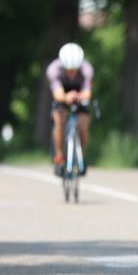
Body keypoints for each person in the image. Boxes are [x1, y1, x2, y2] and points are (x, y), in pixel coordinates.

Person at [46, 43, 94, 176]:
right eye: (69, 70)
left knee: (83, 125)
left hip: (80, 94)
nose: (72, 72)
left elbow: (88, 92)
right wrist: (66, 97)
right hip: (63, 94)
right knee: (59, 121)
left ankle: (81, 156)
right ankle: (60, 155)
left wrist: (79, 96)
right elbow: (57, 94)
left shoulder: (87, 70)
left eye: (75, 69)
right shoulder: (53, 70)